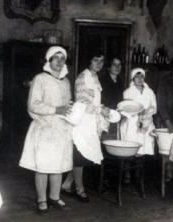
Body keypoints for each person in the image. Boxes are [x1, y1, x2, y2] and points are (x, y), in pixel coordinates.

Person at [19, 46, 73, 213]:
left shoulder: (66, 81)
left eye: (62, 58)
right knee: (43, 167)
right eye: (55, 58)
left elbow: (67, 104)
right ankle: (42, 199)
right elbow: (33, 104)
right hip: (45, 128)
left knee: (58, 165)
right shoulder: (40, 79)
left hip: (61, 129)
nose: (59, 61)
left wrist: (71, 110)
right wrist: (56, 110)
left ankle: (54, 197)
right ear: (48, 61)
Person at [61, 51, 110, 203]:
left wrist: (101, 108)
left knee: (82, 155)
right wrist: (99, 109)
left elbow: (93, 101)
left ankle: (67, 184)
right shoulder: (83, 77)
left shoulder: (95, 77)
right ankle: (79, 189)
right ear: (89, 61)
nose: (99, 64)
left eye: (101, 61)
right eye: (96, 60)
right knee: (79, 156)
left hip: (90, 121)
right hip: (81, 121)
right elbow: (82, 103)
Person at [120, 68, 157, 156]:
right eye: (137, 77)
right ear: (132, 78)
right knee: (132, 149)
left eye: (142, 77)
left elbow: (154, 107)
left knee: (145, 148)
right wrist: (137, 112)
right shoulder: (127, 92)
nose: (139, 79)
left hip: (147, 122)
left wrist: (147, 112)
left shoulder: (150, 92)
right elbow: (125, 108)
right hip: (132, 123)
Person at [99, 57, 124, 139]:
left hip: (116, 118)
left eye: (119, 65)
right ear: (109, 67)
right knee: (105, 142)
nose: (117, 67)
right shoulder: (102, 80)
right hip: (105, 117)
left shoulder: (120, 81)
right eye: (114, 64)